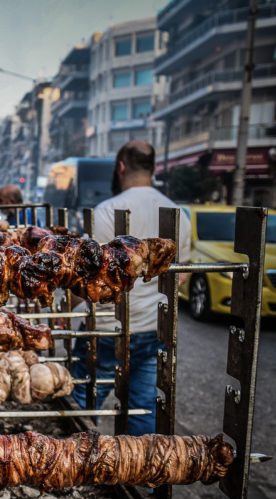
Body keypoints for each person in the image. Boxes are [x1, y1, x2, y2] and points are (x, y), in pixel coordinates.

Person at [70, 140, 190, 436]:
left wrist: (69, 312)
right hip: (152, 329)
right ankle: (141, 480)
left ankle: (74, 472)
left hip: (106, 330)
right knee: (143, 411)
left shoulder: (106, 211)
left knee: (82, 405)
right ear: (154, 167)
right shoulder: (177, 215)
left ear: (121, 166)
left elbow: (88, 273)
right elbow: (181, 276)